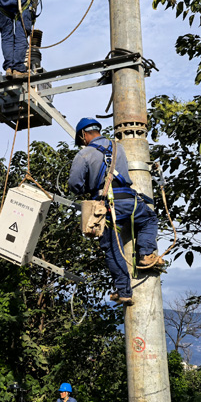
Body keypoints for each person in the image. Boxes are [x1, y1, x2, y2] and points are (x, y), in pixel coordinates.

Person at [68, 118, 163, 305]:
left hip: (108, 206)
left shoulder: (84, 154)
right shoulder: (119, 147)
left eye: (82, 140)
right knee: (149, 219)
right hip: (130, 200)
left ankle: (124, 292)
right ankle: (145, 254)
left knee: (112, 247)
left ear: (83, 135)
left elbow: (74, 185)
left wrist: (86, 189)